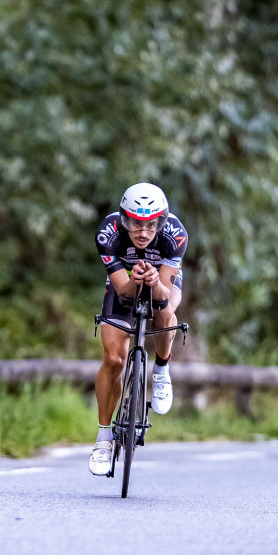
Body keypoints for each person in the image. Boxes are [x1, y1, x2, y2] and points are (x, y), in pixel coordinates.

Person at [89, 182, 188, 476]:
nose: (143, 232)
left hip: (162, 282)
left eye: (150, 225)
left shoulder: (175, 235)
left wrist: (154, 282)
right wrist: (136, 280)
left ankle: (161, 369)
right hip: (125, 282)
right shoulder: (108, 233)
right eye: (135, 223)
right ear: (124, 219)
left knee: (166, 312)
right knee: (114, 359)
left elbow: (164, 297)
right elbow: (122, 291)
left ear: (161, 222)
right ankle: (104, 438)